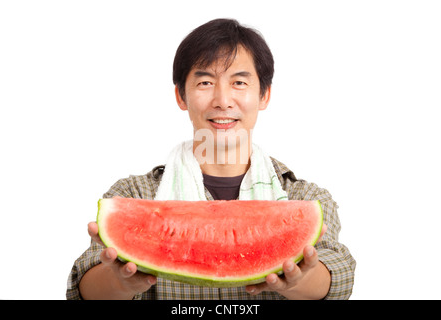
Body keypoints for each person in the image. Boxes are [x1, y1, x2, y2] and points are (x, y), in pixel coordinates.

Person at [66, 18, 355, 300]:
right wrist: (120, 284)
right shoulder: (134, 195)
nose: (223, 100)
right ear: (181, 96)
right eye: (205, 82)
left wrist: (298, 283)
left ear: (264, 95)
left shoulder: (303, 198)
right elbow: (83, 283)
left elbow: (338, 276)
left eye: (239, 82)